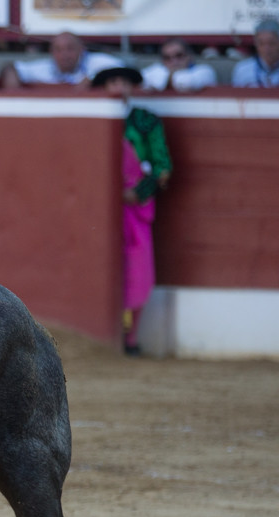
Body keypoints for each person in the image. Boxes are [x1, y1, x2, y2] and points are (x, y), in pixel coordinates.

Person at [93, 66, 172, 357]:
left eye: (124, 82)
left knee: (136, 269)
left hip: (133, 207)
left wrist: (136, 192)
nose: (119, 87)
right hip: (97, 209)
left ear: (132, 87)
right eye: (113, 82)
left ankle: (130, 337)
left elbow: (162, 167)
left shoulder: (145, 120)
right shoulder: (93, 117)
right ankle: (100, 336)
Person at [1, 31, 123, 88]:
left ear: (82, 50)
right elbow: (11, 68)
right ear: (51, 52)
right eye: (58, 50)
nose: (64, 55)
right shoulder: (45, 67)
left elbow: (124, 71)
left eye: (70, 49)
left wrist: (93, 79)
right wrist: (14, 95)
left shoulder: (98, 61)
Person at [141, 38, 216, 92]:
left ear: (189, 56)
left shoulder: (205, 70)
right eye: (167, 57)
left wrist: (167, 78)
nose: (174, 61)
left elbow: (188, 82)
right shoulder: (159, 69)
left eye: (179, 55)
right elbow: (139, 78)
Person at [232, 17, 279, 88]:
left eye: (271, 43)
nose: (266, 49)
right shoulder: (243, 70)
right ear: (256, 44)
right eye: (261, 44)